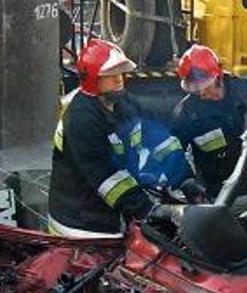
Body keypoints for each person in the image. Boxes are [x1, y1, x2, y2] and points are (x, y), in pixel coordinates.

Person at [48, 39, 182, 238]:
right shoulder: (81, 118)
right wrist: (148, 209)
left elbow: (157, 137)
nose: (119, 79)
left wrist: (183, 178)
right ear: (92, 79)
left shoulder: (124, 102)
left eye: (120, 72)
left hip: (114, 211)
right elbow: (106, 178)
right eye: (111, 75)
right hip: (81, 224)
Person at [171, 44, 247, 197]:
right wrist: (186, 181)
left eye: (205, 85)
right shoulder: (187, 114)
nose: (201, 92)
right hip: (220, 193)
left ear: (219, 75)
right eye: (195, 88)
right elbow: (172, 152)